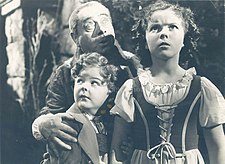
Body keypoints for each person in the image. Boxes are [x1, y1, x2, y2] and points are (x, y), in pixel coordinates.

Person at [110, 1, 225, 164]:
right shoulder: (131, 89)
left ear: (185, 37)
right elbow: (117, 149)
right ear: (145, 37)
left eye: (172, 27)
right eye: (155, 28)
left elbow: (217, 148)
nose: (164, 34)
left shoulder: (201, 88)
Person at [32, 1, 141, 162]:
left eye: (105, 22)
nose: (102, 30)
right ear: (75, 37)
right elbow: (51, 113)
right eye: (89, 26)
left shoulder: (132, 64)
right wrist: (43, 125)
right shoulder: (66, 71)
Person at [44, 52, 118, 164]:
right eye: (80, 81)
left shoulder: (102, 123)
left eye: (94, 82)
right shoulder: (67, 125)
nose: (84, 87)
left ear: (110, 90)